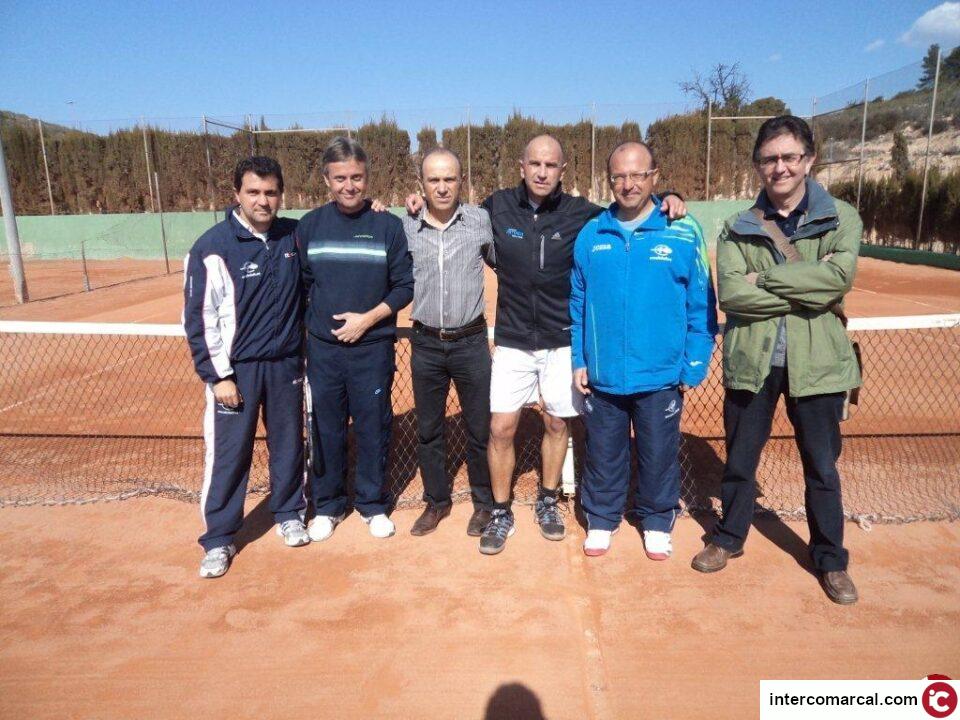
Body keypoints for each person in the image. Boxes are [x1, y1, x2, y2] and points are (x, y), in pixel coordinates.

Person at [410, 134, 686, 555]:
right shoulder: (495, 208)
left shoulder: (582, 214)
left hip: (560, 341)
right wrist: (413, 201)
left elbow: (629, 206)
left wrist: (669, 196)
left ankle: (548, 500)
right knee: (500, 428)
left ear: (562, 171)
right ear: (522, 167)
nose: (542, 172)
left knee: (558, 423)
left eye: (551, 166)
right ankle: (501, 511)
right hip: (513, 341)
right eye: (534, 164)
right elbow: (448, 210)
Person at [690, 116, 862, 605]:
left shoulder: (841, 218)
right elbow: (734, 297)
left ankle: (830, 559)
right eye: (770, 159)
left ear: (809, 160)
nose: (780, 167)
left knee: (822, 467)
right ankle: (728, 539)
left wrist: (761, 280)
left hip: (820, 365)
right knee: (740, 460)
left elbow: (838, 281)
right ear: (757, 166)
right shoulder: (737, 225)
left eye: (789, 157)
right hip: (753, 361)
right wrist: (806, 283)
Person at [570, 142, 717, 558]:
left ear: (655, 176)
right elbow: (578, 301)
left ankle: (656, 520)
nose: (628, 184)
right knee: (603, 453)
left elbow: (701, 301)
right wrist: (581, 359)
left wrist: (693, 363)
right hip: (605, 374)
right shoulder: (592, 233)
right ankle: (601, 518)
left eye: (637, 174)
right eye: (619, 176)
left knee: (658, 453)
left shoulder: (684, 229)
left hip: (661, 374)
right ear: (609, 179)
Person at [183, 156, 308, 579]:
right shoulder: (212, 246)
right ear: (236, 194)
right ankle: (219, 539)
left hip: (286, 365)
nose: (263, 200)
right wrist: (218, 376)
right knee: (229, 455)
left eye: (271, 192)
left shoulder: (293, 236)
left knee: (289, 444)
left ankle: (289, 513)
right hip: (236, 373)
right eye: (253, 192)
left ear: (280, 195)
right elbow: (200, 318)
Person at [296, 137, 414, 542]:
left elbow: (403, 287)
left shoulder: (388, 225)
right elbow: (303, 285)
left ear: (368, 179)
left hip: (372, 350)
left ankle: (372, 504)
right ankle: (327, 506)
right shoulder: (309, 226)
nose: (350, 186)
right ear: (327, 180)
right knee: (325, 428)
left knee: (372, 428)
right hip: (324, 354)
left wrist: (368, 320)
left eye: (357, 178)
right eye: (341, 178)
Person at [402, 148, 496, 537]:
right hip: (425, 344)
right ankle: (436, 502)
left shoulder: (480, 221)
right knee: (429, 429)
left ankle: (484, 503)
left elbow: (502, 262)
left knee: (480, 428)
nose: (442, 187)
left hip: (471, 343)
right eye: (434, 180)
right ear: (421, 184)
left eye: (449, 179)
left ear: (462, 181)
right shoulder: (404, 225)